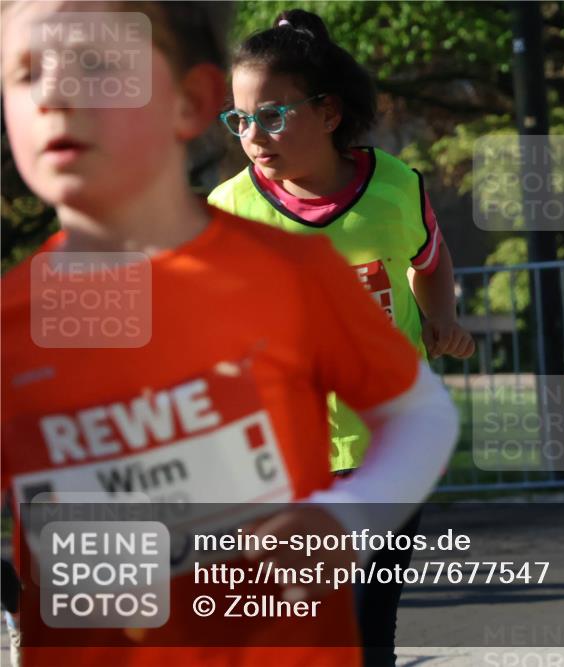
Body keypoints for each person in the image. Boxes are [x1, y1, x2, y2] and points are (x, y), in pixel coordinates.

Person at [0, 2, 458, 665]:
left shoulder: (289, 270)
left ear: (190, 103)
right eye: (25, 72)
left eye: (98, 69)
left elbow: (420, 411)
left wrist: (349, 515)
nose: (57, 97)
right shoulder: (14, 324)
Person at [207, 9, 473, 665]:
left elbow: (431, 262)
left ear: (328, 113)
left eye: (272, 114)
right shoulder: (227, 210)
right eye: (239, 118)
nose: (252, 133)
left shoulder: (394, 188)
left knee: (366, 621)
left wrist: (442, 319)